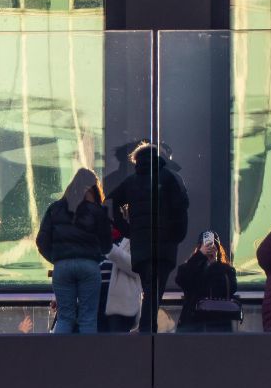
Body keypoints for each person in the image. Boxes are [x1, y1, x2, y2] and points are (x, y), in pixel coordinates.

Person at [108, 142, 190, 332]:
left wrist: (127, 229)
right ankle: (147, 330)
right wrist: (177, 235)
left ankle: (148, 328)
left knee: (150, 288)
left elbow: (110, 203)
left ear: (136, 160)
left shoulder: (130, 182)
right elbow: (182, 207)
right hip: (165, 246)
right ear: (158, 157)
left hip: (141, 247)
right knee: (156, 289)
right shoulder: (170, 177)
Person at [35, 167, 114, 334]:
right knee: (88, 318)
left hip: (62, 266)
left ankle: (60, 358)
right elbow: (107, 244)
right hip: (89, 265)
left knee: (64, 317)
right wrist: (96, 256)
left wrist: (57, 258)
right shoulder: (97, 211)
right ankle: (87, 359)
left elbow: (41, 241)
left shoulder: (55, 208)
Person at [174, 231, 240, 333]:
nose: (210, 249)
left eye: (213, 246)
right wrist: (199, 256)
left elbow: (231, 288)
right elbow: (181, 279)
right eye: (206, 246)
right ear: (199, 247)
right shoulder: (190, 267)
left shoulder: (227, 271)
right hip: (192, 322)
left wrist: (214, 264)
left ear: (218, 249)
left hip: (219, 323)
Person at [101, 230, 141, 333]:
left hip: (120, 306)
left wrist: (111, 250)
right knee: (95, 345)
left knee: (117, 345)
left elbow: (138, 269)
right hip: (96, 299)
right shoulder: (96, 238)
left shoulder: (132, 239)